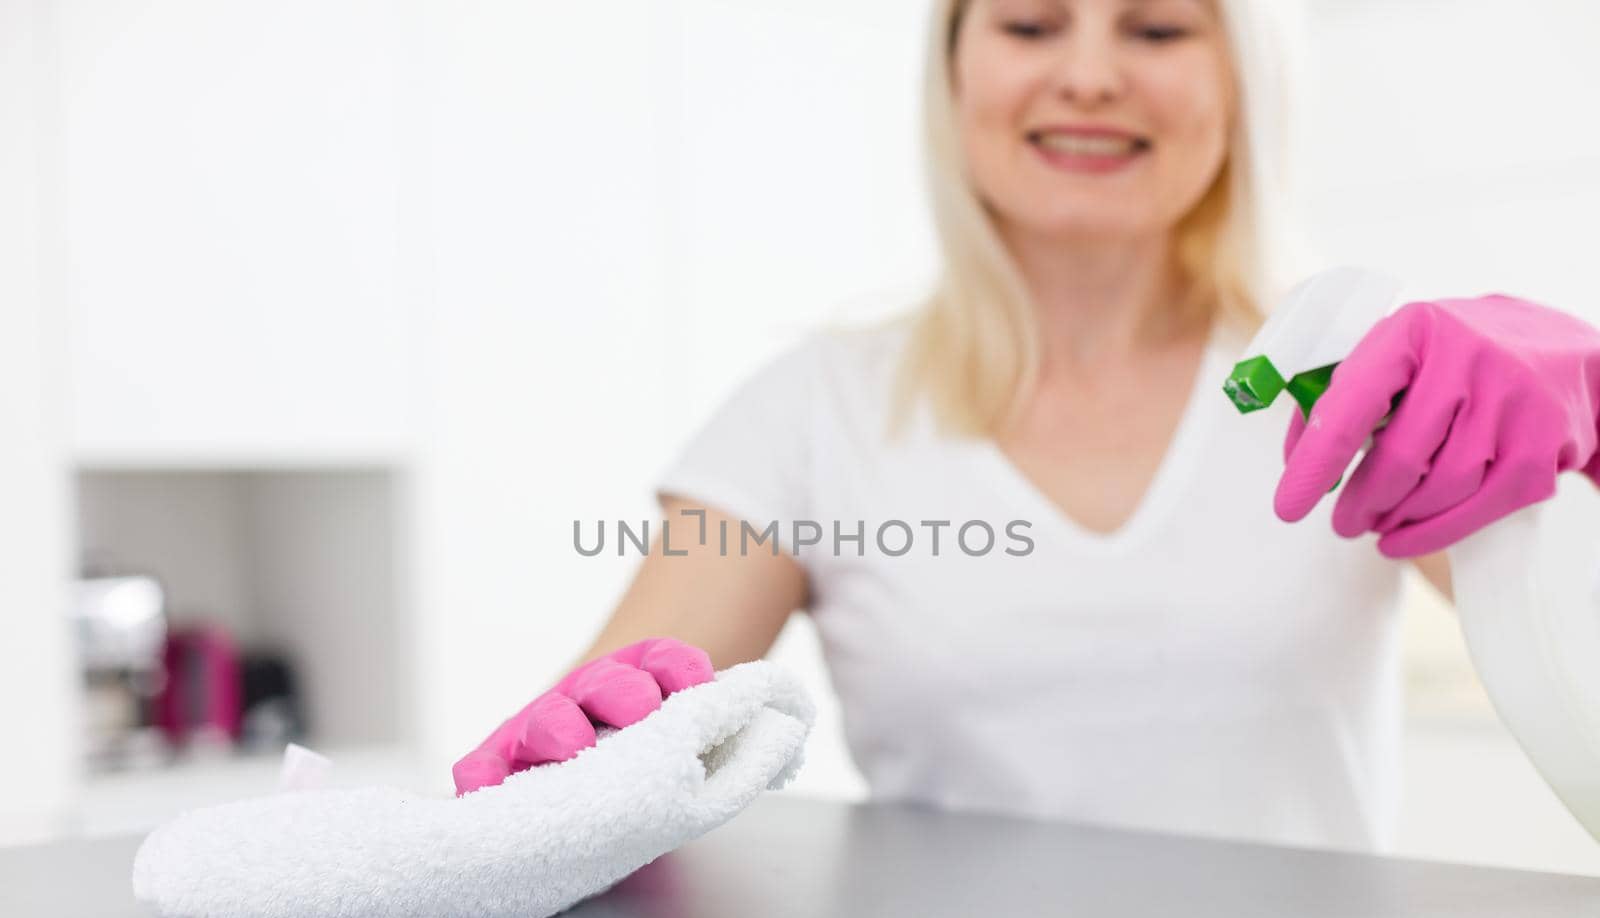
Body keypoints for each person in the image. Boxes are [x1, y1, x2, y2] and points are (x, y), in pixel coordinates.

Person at [453, 0, 1600, 853]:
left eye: (1156, 29)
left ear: (1243, 78)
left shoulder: (1344, 382)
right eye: (1030, 23)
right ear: (955, 70)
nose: (1090, 75)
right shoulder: (811, 410)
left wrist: (1588, 425)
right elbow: (577, 789)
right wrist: (567, 787)